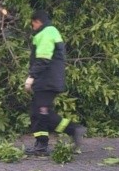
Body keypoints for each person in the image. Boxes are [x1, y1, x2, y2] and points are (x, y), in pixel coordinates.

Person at [25, 10, 86, 156]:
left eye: (33, 24)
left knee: (43, 113)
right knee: (37, 112)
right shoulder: (48, 32)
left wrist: (31, 77)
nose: (32, 27)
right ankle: (41, 144)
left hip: (47, 80)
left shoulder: (46, 33)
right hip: (46, 80)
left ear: (37, 21)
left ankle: (73, 130)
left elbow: (43, 59)